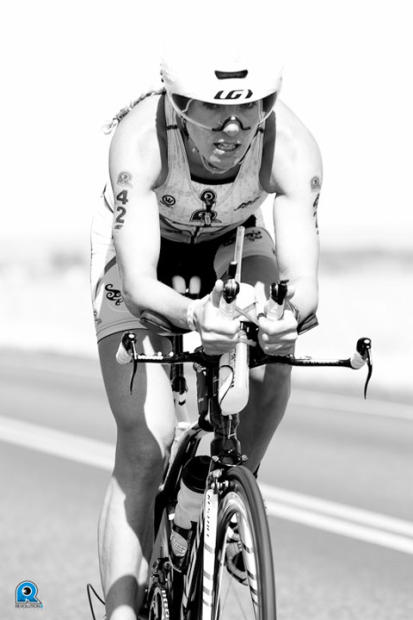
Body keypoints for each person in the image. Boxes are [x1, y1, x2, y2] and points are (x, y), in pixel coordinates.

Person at [90, 41, 322, 620]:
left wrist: (283, 319)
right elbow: (141, 284)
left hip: (231, 243)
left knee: (272, 362)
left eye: (249, 107)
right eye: (214, 109)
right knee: (146, 443)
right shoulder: (141, 142)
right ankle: (121, 611)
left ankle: (234, 490)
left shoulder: (291, 147)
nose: (234, 126)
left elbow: (303, 283)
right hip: (144, 258)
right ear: (180, 105)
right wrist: (196, 316)